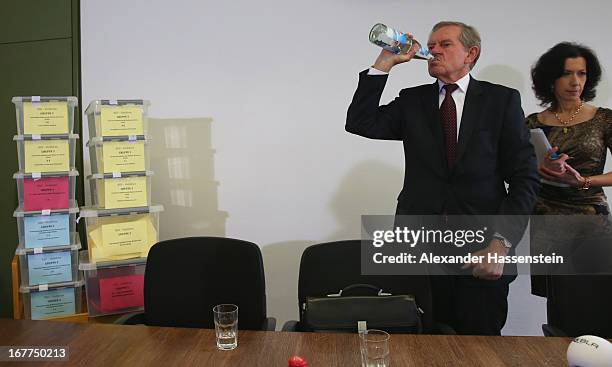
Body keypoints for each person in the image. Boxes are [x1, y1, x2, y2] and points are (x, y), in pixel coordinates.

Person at [346, 21, 539, 335]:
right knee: (417, 344)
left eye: (444, 44)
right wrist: (384, 63)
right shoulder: (413, 100)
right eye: (431, 44)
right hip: (419, 252)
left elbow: (524, 179)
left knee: (479, 348)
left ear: (470, 53)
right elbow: (360, 122)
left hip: (481, 250)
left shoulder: (500, 101)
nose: (433, 50)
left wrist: (501, 244)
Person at [526, 42, 612, 337]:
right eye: (566, 74)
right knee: (558, 306)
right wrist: (536, 170)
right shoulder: (532, 123)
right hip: (546, 219)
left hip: (590, 219)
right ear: (550, 79)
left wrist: (585, 181)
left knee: (596, 302)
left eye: (582, 74)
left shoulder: (604, 118)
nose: (575, 82)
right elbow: (515, 173)